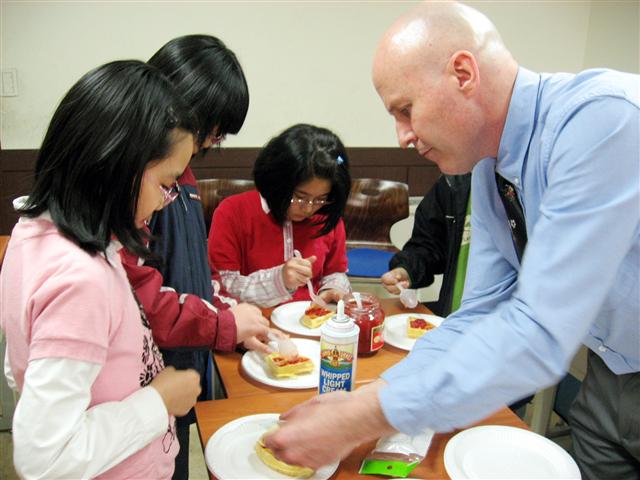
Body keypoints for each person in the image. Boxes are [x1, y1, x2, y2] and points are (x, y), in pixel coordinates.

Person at [264, 2, 640, 478]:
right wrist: (369, 397)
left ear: (463, 72)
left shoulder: (600, 121)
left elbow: (541, 329)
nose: (401, 135)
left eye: (406, 109)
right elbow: (477, 316)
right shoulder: (487, 168)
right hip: (614, 377)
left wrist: (362, 416)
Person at [0, 60, 203, 479]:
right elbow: (44, 458)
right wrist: (158, 401)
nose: (166, 201)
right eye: (166, 183)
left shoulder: (33, 231)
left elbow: (20, 361)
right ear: (117, 166)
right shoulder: (80, 279)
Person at [119, 34, 271, 480]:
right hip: (146, 381)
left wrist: (229, 317)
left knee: (175, 459)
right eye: (212, 128)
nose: (212, 141)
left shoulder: (180, 176)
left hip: (185, 364)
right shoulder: (143, 185)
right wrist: (223, 324)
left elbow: (195, 274)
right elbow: (141, 296)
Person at [208, 123, 352, 308]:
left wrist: (331, 289)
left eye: (320, 199)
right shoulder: (233, 212)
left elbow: (335, 272)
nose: (309, 209)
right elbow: (223, 288)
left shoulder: (325, 215)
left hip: (310, 322)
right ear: (277, 185)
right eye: (300, 197)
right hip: (253, 325)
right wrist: (279, 281)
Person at [381, 173, 471, 316]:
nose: (404, 148)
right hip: (454, 318)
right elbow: (428, 246)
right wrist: (407, 269)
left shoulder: (512, 187)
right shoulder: (451, 183)